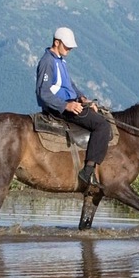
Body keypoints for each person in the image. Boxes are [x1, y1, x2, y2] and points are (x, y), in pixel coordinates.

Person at [35, 26, 110, 187]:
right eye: (66, 46)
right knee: (102, 125)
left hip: (69, 104)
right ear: (57, 42)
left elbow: (69, 85)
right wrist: (66, 106)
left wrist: (83, 98)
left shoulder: (60, 60)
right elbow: (43, 92)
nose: (69, 49)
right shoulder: (47, 62)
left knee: (101, 117)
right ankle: (88, 171)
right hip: (59, 109)